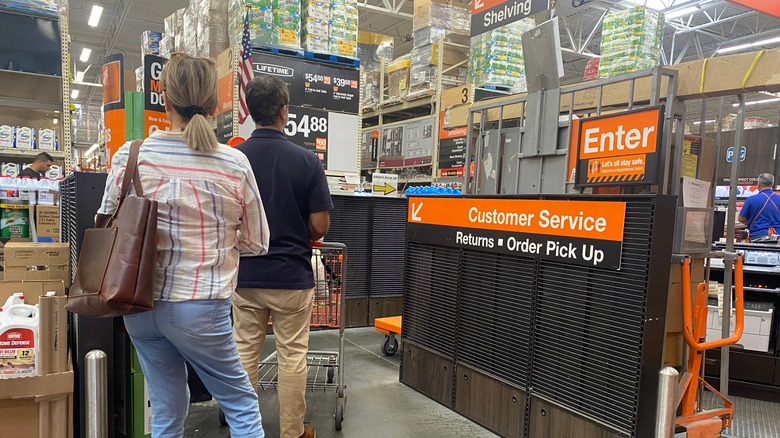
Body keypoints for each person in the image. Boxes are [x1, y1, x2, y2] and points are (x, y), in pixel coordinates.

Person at [96, 54, 269, 438]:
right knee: (240, 402)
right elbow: (257, 242)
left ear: (164, 98)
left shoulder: (131, 155)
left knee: (167, 407)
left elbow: (106, 219)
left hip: (137, 301)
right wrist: (220, 242)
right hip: (201, 306)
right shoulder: (234, 164)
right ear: (215, 105)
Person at [232, 75, 333, 438]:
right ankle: (292, 433)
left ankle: (244, 430)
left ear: (250, 111)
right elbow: (320, 226)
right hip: (291, 277)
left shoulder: (234, 159)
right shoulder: (306, 161)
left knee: (245, 354)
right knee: (292, 355)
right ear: (283, 111)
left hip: (245, 277)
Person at [738, 173, 780, 240]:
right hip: (777, 236)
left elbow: (741, 218)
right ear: (772, 184)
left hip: (757, 236)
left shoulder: (751, 199)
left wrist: (752, 222)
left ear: (758, 184)